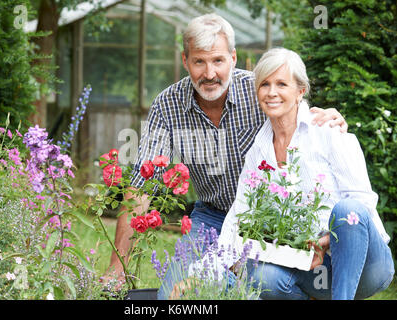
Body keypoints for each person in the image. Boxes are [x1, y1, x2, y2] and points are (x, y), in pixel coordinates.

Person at [100, 13, 347, 296]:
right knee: (175, 293)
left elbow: (300, 121)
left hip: (266, 219)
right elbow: (141, 188)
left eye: (218, 60)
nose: (209, 74)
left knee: (263, 284)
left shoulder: (259, 91)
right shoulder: (167, 106)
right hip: (212, 219)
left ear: (233, 57)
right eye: (199, 62)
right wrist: (117, 268)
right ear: (185, 61)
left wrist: (328, 117)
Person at [186, 47, 394, 300]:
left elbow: (362, 207)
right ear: (257, 92)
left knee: (348, 209)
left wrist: (326, 241)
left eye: (282, 84)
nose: (272, 92)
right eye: (265, 84)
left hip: (365, 267)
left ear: (300, 91)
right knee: (262, 276)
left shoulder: (328, 132)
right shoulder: (258, 152)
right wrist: (200, 274)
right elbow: (238, 218)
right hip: (312, 269)